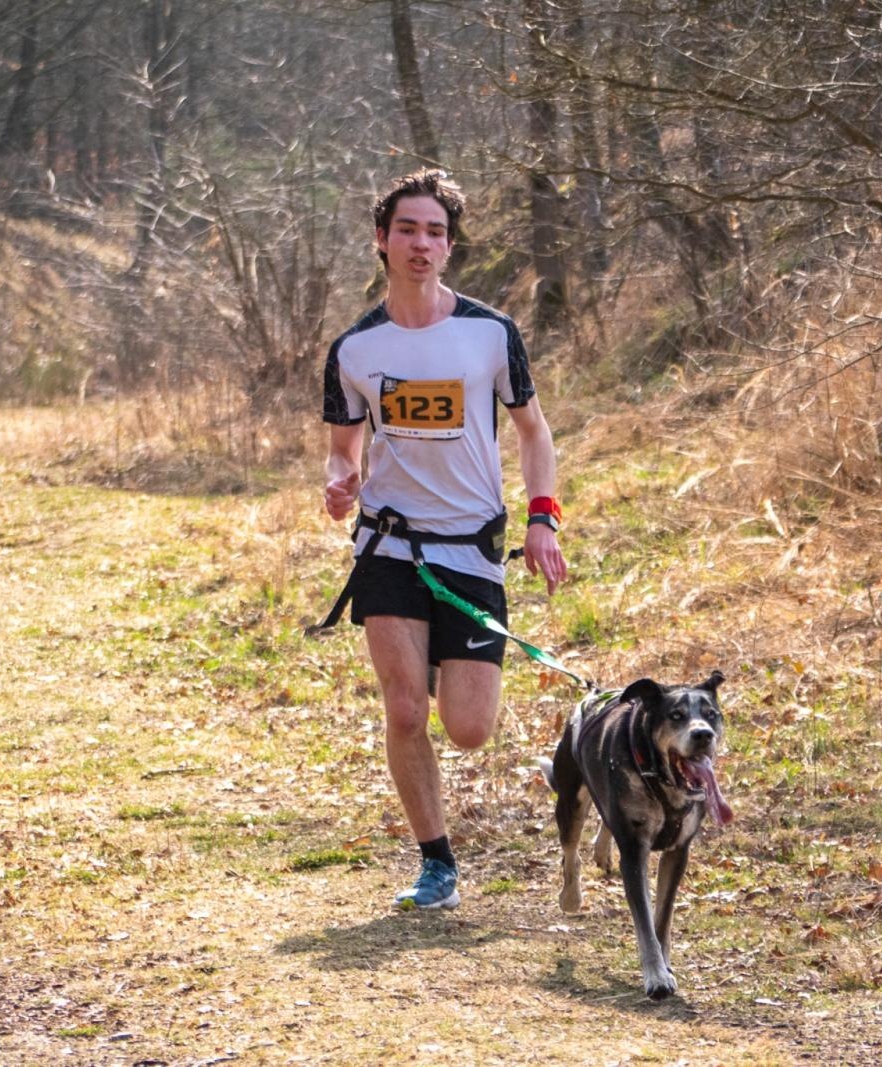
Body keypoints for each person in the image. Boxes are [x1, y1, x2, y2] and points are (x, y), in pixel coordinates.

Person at [321, 169, 568, 911]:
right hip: (390, 546)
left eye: (434, 232)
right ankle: (437, 862)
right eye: (407, 230)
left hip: (471, 549)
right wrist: (340, 479)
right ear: (382, 240)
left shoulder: (490, 334)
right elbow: (342, 446)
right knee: (403, 709)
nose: (421, 244)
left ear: (449, 246)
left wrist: (541, 517)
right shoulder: (355, 349)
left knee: (467, 728)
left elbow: (533, 432)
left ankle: (441, 662)